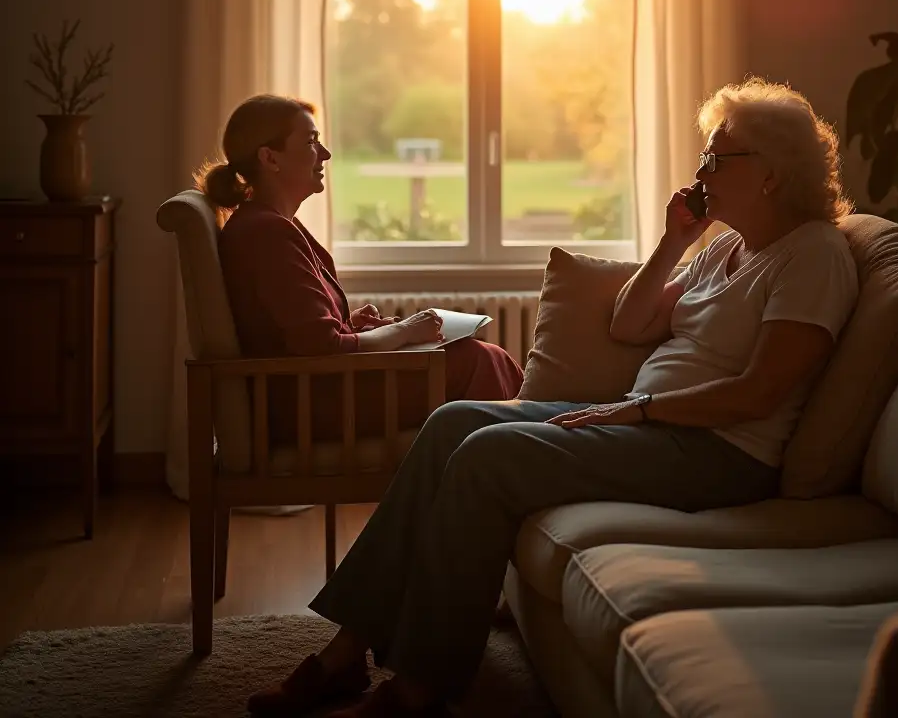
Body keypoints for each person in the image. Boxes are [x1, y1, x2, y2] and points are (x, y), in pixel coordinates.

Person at [246, 78, 860, 718]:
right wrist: (677, 240)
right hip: (652, 424)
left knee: (489, 456)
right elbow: (630, 325)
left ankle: (420, 689)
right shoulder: (729, 248)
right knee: (453, 421)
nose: (701, 170)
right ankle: (347, 653)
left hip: (720, 453)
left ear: (770, 173)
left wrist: (646, 408)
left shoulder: (812, 254)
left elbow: (760, 392)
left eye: (717, 158)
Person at [196, 95, 524, 449]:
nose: (324, 154)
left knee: (482, 358)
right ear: (269, 157)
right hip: (310, 403)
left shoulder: (269, 225)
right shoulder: (265, 232)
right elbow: (322, 345)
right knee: (479, 360)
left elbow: (301, 330)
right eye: (310, 141)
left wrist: (351, 323)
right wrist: (402, 330)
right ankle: (509, 472)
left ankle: (501, 468)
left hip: (315, 388)